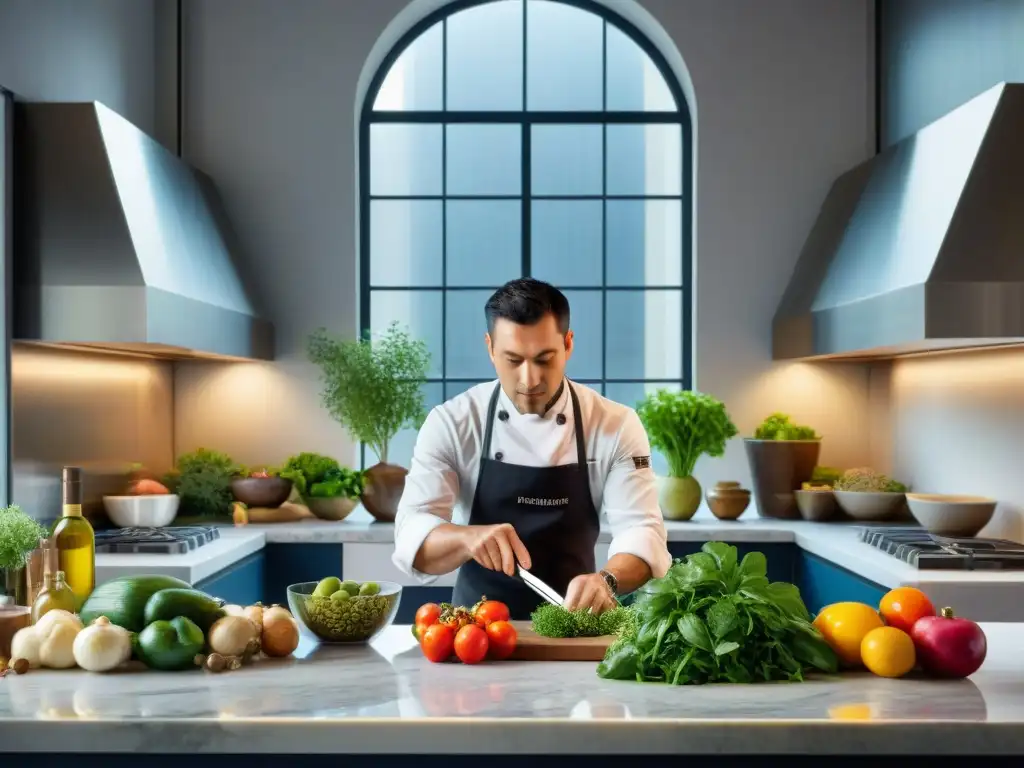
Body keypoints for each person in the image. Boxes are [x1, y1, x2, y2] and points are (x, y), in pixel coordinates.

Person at [392, 278, 671, 619]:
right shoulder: (452, 422)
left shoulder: (614, 424)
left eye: (544, 359)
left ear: (568, 345)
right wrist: (466, 539)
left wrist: (607, 580)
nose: (530, 379)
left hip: (576, 627)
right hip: (476, 635)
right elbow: (412, 535)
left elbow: (642, 532)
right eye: (513, 360)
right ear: (490, 348)